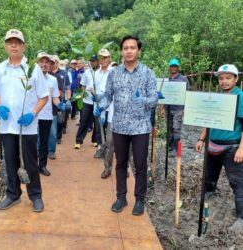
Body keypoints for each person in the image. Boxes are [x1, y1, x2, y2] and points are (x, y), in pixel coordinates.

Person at [95, 35, 158, 215]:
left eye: (132, 47)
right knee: (120, 163)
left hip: (140, 127)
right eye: (125, 48)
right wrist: (101, 104)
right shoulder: (114, 73)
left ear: (138, 50)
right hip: (120, 126)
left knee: (139, 164)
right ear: (121, 51)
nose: (129, 51)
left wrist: (144, 100)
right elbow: (108, 95)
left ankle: (139, 200)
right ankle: (121, 197)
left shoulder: (147, 73)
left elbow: (154, 99)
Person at [0, 29, 48, 212]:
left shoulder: (33, 69)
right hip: (7, 127)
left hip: (27, 127)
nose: (13, 45)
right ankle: (13, 194)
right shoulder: (0, 69)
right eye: (10, 42)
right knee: (11, 162)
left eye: (17, 42)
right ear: (5, 46)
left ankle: (36, 195)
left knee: (30, 162)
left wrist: (33, 113)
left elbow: (43, 96)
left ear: (23, 46)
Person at [195, 64, 243, 232]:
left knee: (238, 183)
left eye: (228, 78)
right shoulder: (219, 97)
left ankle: (241, 217)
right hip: (212, 144)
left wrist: (241, 149)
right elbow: (208, 120)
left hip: (231, 146)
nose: (224, 81)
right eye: (221, 78)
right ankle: (209, 192)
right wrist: (201, 139)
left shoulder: (240, 97)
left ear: (236, 79)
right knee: (210, 173)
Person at [36, 52, 63, 176]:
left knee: (44, 143)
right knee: (31, 142)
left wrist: (60, 104)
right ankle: (31, 167)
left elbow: (55, 98)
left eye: (47, 62)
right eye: (42, 61)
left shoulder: (53, 80)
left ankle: (42, 166)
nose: (44, 64)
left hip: (46, 115)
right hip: (33, 115)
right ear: (37, 63)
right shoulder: (31, 78)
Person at [161, 58, 190, 154]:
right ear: (169, 68)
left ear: (178, 68)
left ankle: (175, 149)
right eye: (172, 66)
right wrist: (163, 108)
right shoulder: (167, 80)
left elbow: (188, 94)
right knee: (169, 128)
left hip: (178, 109)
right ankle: (169, 146)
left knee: (176, 128)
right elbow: (164, 94)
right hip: (168, 108)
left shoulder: (183, 79)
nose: (173, 68)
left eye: (175, 66)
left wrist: (185, 109)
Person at [74, 55, 101, 150]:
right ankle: (78, 141)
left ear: (98, 61)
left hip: (98, 101)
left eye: (94, 61)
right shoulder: (87, 72)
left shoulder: (102, 71)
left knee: (97, 122)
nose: (92, 63)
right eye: (91, 61)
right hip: (87, 100)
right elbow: (83, 85)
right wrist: (81, 96)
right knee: (84, 120)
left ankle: (95, 140)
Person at [48, 55, 71, 159]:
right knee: (40, 133)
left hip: (53, 108)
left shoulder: (57, 77)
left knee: (53, 132)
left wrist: (66, 101)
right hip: (39, 110)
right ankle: (40, 151)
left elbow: (60, 92)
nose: (51, 64)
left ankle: (51, 150)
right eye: (50, 62)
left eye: (53, 62)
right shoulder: (37, 76)